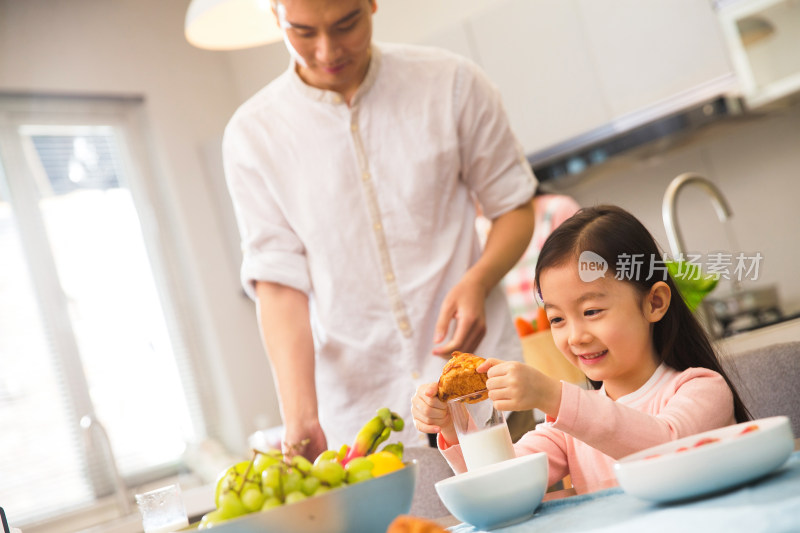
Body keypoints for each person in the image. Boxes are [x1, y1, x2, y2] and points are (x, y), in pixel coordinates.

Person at [222, 0, 537, 460]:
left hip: (487, 391)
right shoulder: (253, 135)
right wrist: (300, 415)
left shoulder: (451, 83)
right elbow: (279, 285)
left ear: (371, 4)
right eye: (303, 32)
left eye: (346, 23)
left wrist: (478, 279)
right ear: (275, 16)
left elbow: (513, 207)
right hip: (364, 423)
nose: (327, 50)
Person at [411, 205, 751, 494]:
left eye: (591, 312)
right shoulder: (567, 428)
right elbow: (501, 486)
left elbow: (667, 448)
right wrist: (455, 425)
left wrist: (554, 397)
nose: (575, 336)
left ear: (655, 302)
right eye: (557, 319)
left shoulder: (702, 389)